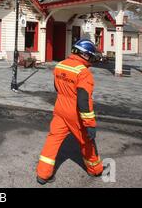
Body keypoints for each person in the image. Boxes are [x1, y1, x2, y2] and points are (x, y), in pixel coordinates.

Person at [36, 39, 104, 185]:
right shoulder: (84, 73)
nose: (91, 59)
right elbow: (83, 101)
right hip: (75, 113)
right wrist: (90, 124)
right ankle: (95, 170)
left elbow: (57, 87)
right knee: (87, 141)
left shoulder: (60, 65)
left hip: (60, 108)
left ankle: (43, 174)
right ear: (85, 55)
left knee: (53, 139)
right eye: (91, 56)